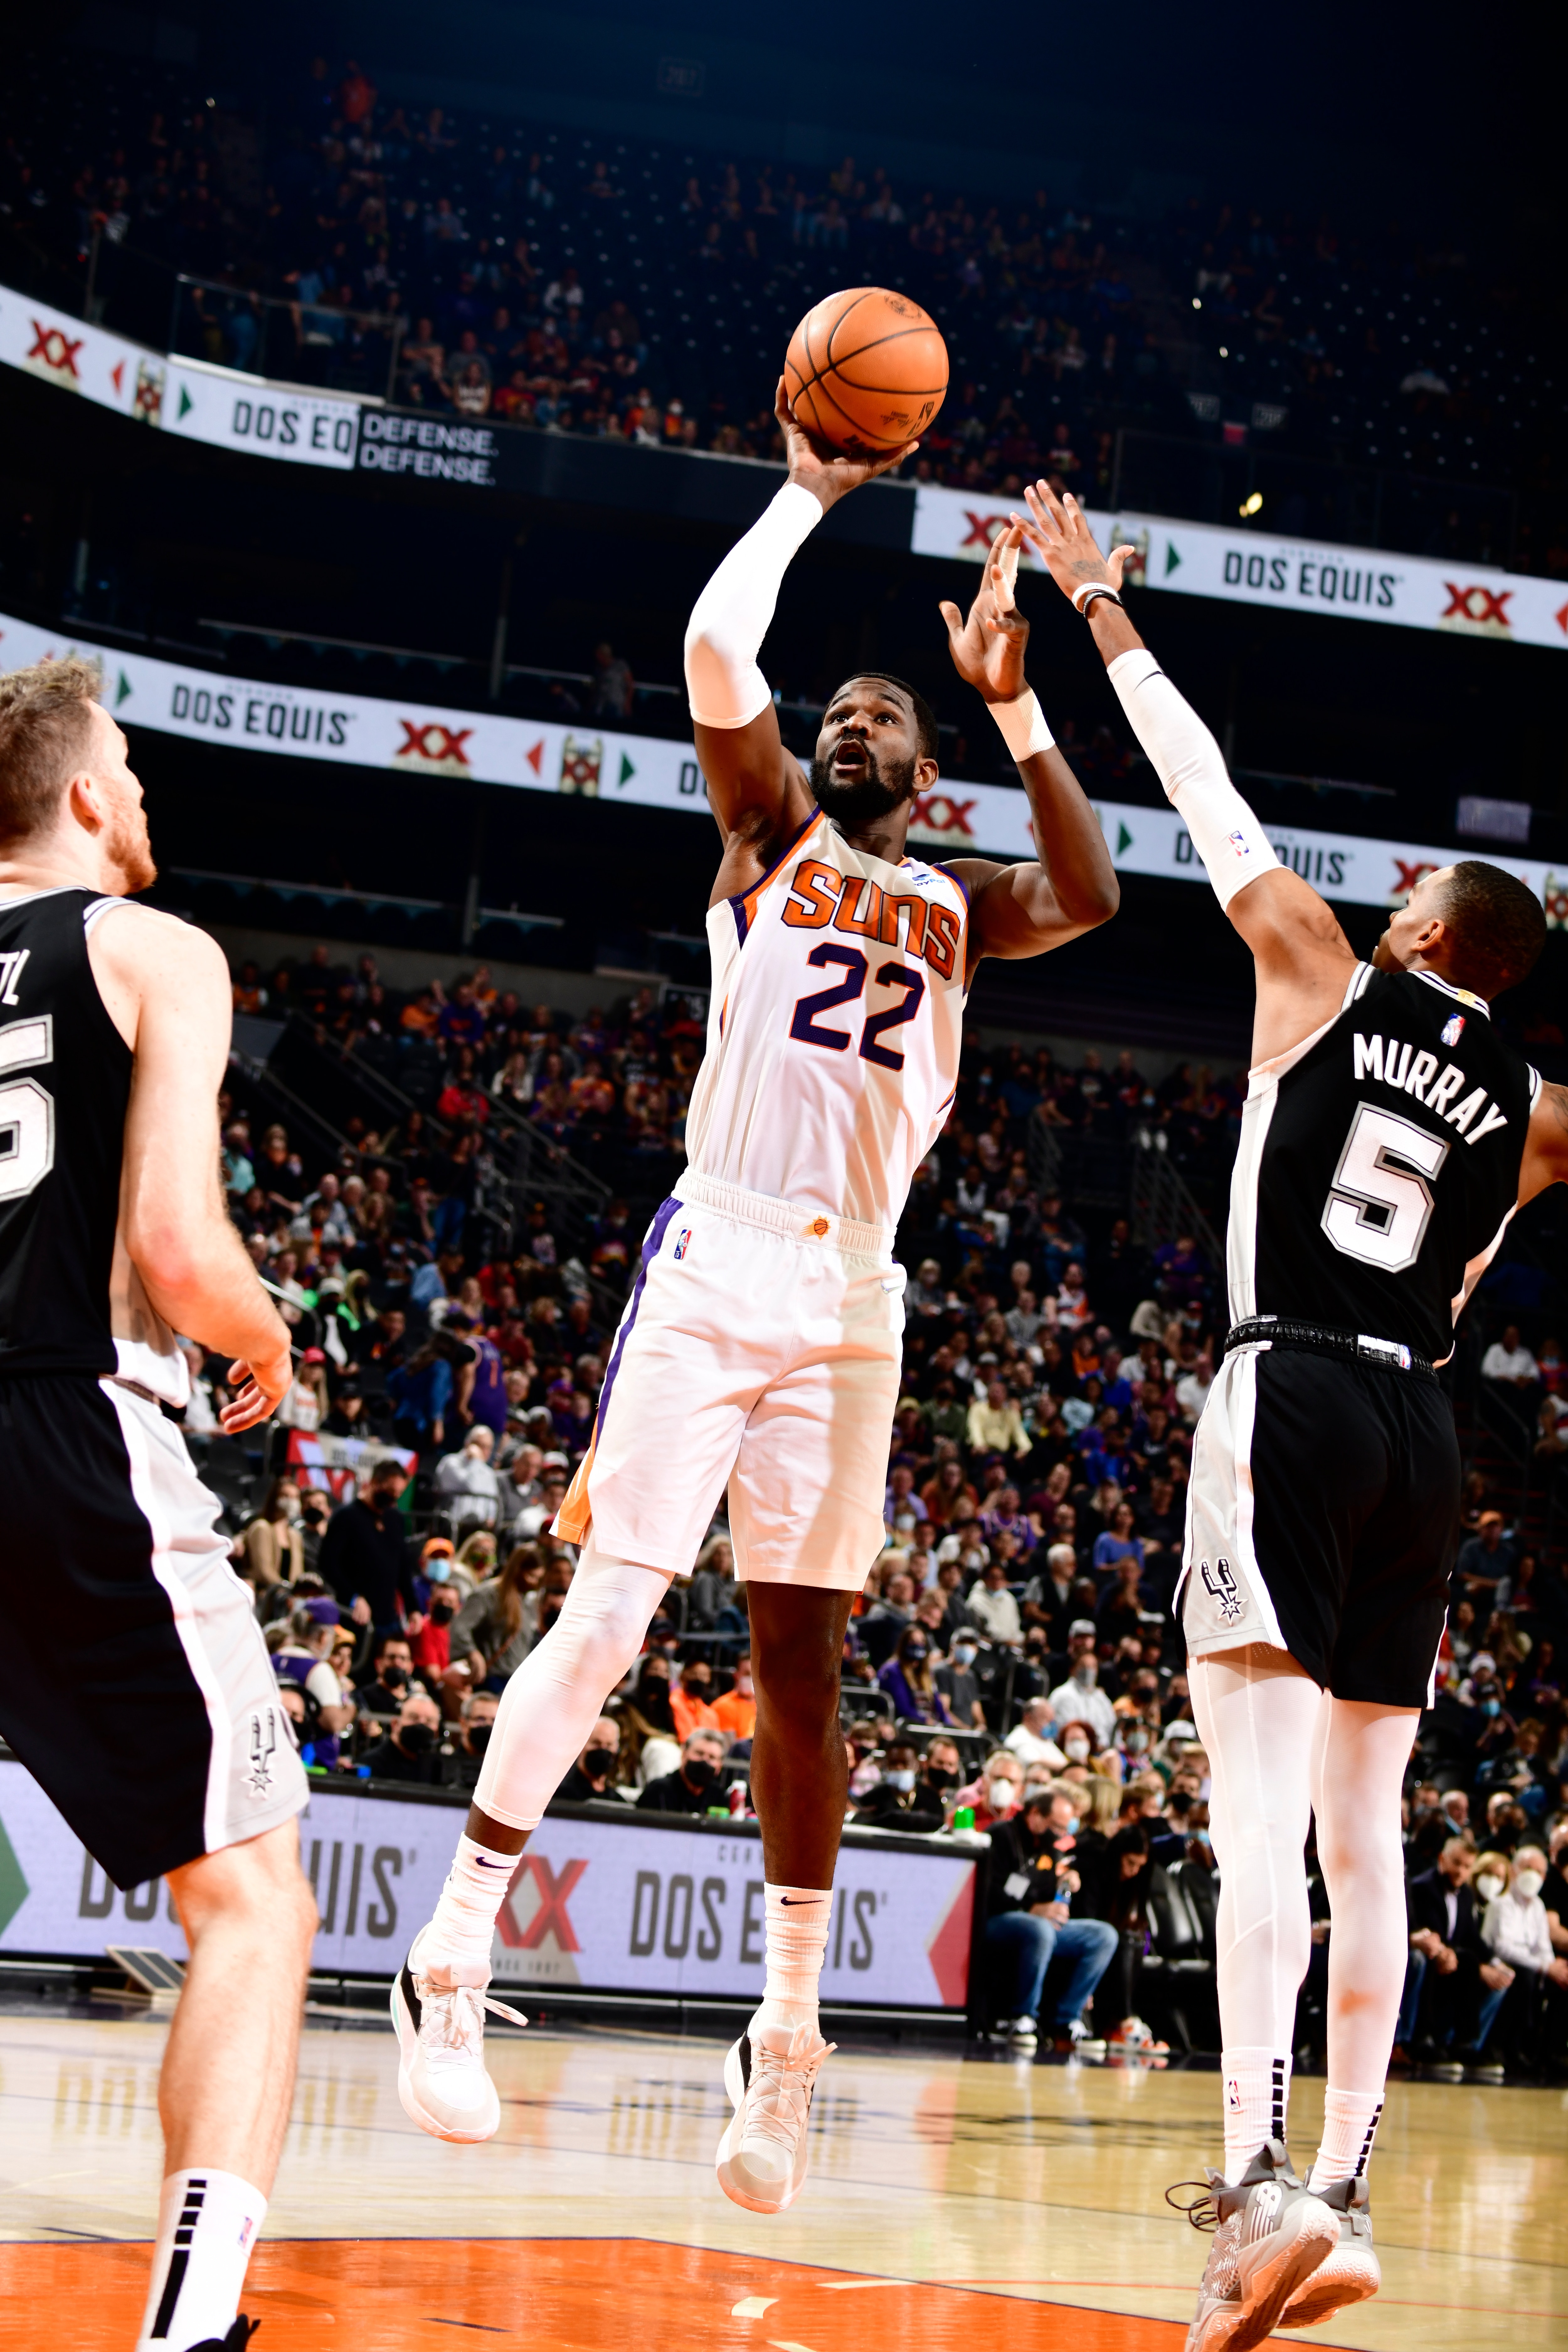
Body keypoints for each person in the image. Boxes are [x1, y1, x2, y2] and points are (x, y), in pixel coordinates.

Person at [391, 384, 1118, 2207]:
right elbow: (721, 643)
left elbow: (1094, 891)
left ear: (925, 771)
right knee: (618, 1612)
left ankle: (783, 2029)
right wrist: (804, 497)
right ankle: (454, 1940)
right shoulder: (763, 836)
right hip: (719, 1249)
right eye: (837, 713)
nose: (849, 720)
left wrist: (1020, 696)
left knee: (803, 1660)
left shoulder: (958, 902)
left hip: (854, 1302)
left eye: (885, 712)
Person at [1020, 477, 1567, 2346]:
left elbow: (1196, 792)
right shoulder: (1542, 1110)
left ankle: (1253, 2193)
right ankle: (1341, 2177)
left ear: (1419, 921)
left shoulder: (1319, 968)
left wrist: (1099, 616)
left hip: (1290, 1387)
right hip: (1427, 1430)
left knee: (1249, 1818)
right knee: (1367, 1829)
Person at [0, 655, 316, 2352]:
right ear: (88, 798)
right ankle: (190, 2328)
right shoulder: (146, 946)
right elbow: (183, 1251)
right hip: (58, 1425)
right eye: (128, 763)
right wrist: (270, 1336)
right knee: (252, 1892)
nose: (144, 790)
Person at [983, 1786, 1118, 2050]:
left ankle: (1067, 2020)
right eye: (1057, 1827)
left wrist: (1064, 1881)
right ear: (1035, 1815)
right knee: (1040, 1929)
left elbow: (1047, 1891)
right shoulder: (1000, 1836)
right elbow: (988, 1893)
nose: (1061, 1835)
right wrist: (1033, 1908)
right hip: (997, 1921)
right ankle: (1022, 2017)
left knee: (1103, 1936)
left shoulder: (1049, 1848)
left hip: (1038, 1924)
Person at [636, 1727, 730, 1815]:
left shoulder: (719, 1798)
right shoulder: (658, 1792)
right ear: (684, 1755)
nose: (705, 1761)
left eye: (712, 1757)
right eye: (699, 1753)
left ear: (719, 1767)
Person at [555, 1715, 622, 1802]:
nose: (603, 1750)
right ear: (582, 1744)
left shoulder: (618, 1801)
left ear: (617, 1749)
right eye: (596, 1743)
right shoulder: (562, 1794)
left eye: (609, 1745)